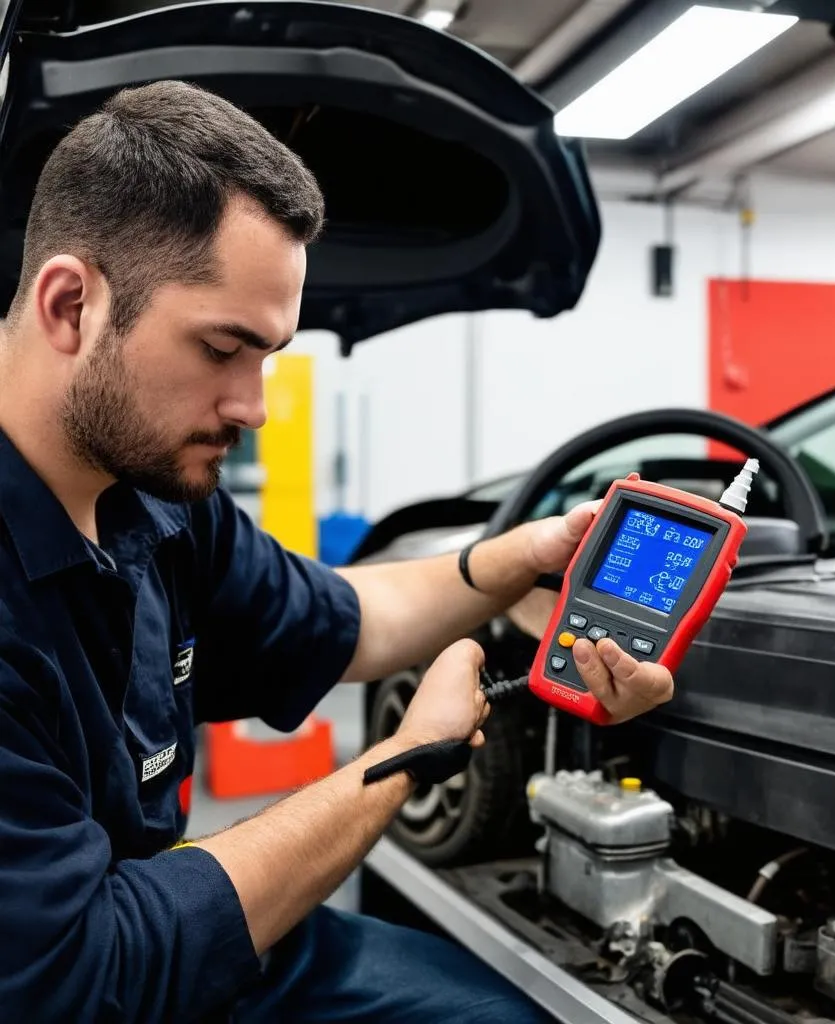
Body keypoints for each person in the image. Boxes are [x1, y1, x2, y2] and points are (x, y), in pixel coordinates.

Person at [0, 80, 675, 1024]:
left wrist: (518, 559)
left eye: (268, 355)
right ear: (71, 306)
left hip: (155, 937)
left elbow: (341, 620)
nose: (254, 406)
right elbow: (78, 975)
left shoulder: (152, 502)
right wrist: (398, 760)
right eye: (223, 348)